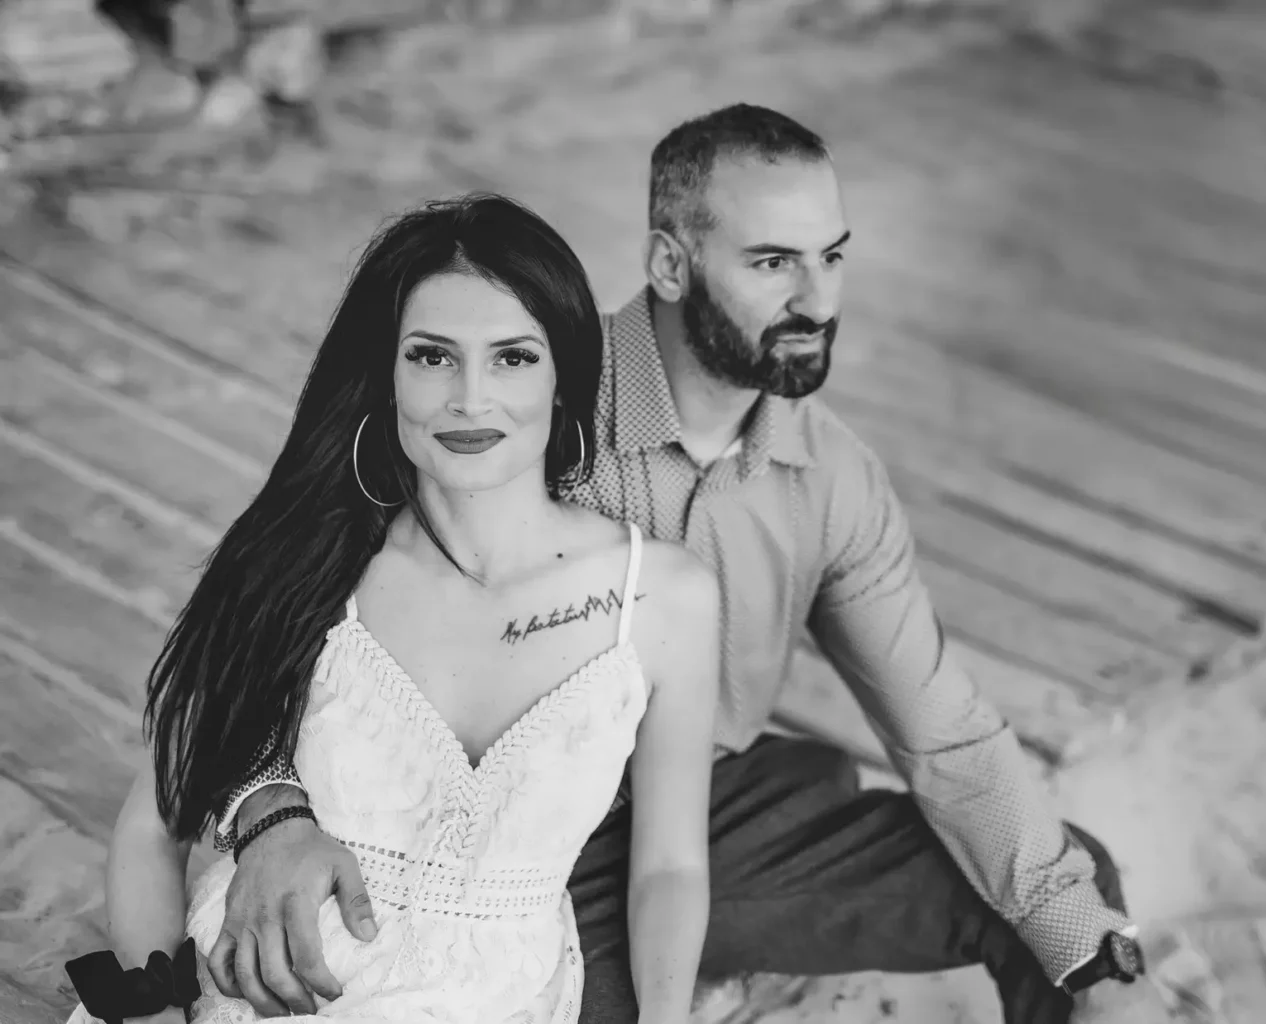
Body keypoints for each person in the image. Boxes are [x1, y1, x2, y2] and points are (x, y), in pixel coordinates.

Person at [209, 104, 1144, 1024]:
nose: (817, 300)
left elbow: (943, 733)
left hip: (704, 823)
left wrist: (1096, 963)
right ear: (669, 262)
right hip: (499, 846)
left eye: (832, 257)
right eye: (773, 262)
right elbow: (286, 619)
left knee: (1070, 903)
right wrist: (273, 808)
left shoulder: (833, 478)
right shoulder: (519, 398)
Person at [63, 194, 720, 1024]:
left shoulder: (663, 597)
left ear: (564, 380)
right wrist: (156, 1016)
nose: (471, 399)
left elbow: (669, 868)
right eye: (432, 357)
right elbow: (152, 826)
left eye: (514, 358)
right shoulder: (304, 557)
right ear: (388, 373)